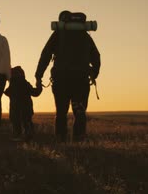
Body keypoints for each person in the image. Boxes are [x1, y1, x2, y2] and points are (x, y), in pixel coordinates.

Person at [35, 10, 101, 142]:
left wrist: (38, 76)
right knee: (79, 111)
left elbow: (45, 55)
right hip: (80, 80)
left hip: (61, 80)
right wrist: (94, 73)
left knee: (61, 111)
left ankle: (61, 139)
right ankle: (79, 140)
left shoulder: (58, 34)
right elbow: (96, 57)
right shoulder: (85, 36)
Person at [3, 66, 42, 140]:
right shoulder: (25, 84)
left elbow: (6, 92)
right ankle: (29, 137)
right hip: (27, 109)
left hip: (14, 111)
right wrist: (39, 86)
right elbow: (35, 93)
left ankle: (17, 137)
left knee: (16, 125)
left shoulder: (12, 86)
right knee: (27, 124)